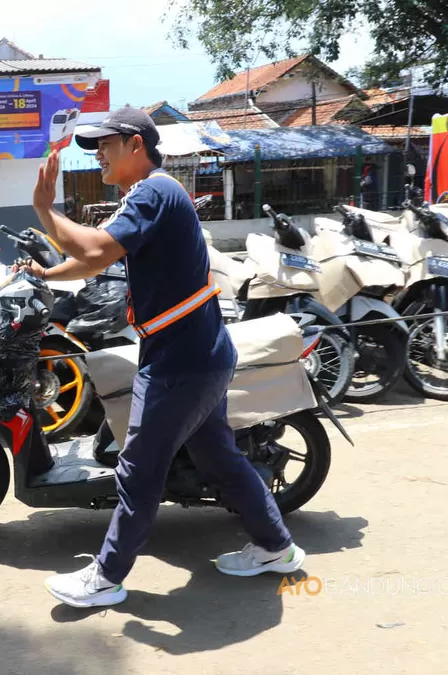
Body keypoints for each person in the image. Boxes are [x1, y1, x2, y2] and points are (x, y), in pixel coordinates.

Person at [21, 107, 305, 609]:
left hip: (181, 358)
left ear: (135, 144)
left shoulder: (156, 190)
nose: (97, 157)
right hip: (197, 350)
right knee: (219, 457)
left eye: (105, 146)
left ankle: (106, 577)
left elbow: (98, 247)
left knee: (139, 466)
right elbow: (91, 258)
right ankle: (277, 548)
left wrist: (47, 210)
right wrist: (45, 276)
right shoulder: (145, 195)